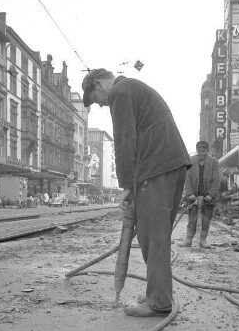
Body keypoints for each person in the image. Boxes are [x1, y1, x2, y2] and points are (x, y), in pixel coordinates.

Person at [82, 68, 191, 317]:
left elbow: (124, 139)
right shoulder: (134, 87)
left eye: (95, 98)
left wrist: (127, 185)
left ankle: (159, 302)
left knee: (153, 237)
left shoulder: (120, 92)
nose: (99, 104)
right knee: (153, 234)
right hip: (171, 164)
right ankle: (158, 292)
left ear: (98, 84)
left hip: (155, 167)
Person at [179, 141, 220, 248]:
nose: (201, 153)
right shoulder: (191, 161)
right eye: (199, 150)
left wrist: (211, 195)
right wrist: (190, 194)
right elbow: (187, 179)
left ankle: (203, 240)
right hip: (194, 195)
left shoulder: (214, 162)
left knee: (206, 219)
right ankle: (188, 239)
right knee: (192, 218)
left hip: (208, 196)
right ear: (197, 150)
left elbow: (216, 180)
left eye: (204, 150)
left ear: (207, 151)